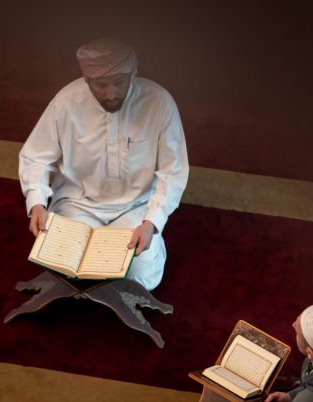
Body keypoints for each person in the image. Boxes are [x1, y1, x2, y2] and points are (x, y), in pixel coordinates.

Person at [19, 38, 189, 291]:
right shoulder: (67, 101)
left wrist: (151, 222)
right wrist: (36, 203)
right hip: (77, 203)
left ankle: (152, 244)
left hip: (136, 208)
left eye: (119, 83)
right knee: (64, 266)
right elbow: (36, 157)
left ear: (133, 73)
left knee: (140, 278)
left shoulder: (159, 102)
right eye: (101, 85)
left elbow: (173, 171)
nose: (110, 93)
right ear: (86, 80)